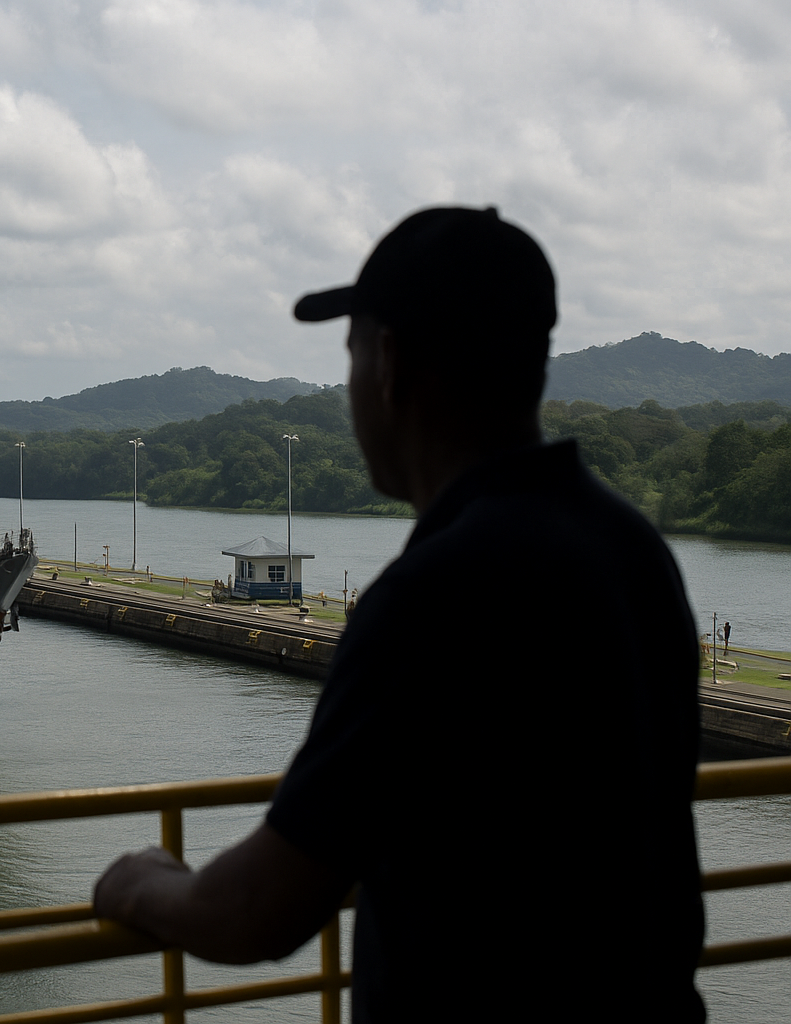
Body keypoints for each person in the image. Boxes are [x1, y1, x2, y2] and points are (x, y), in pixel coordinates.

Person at [93, 207, 703, 1021]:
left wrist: (143, 884)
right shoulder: (632, 548)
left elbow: (257, 910)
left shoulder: (438, 592)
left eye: (349, 358)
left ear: (388, 363)